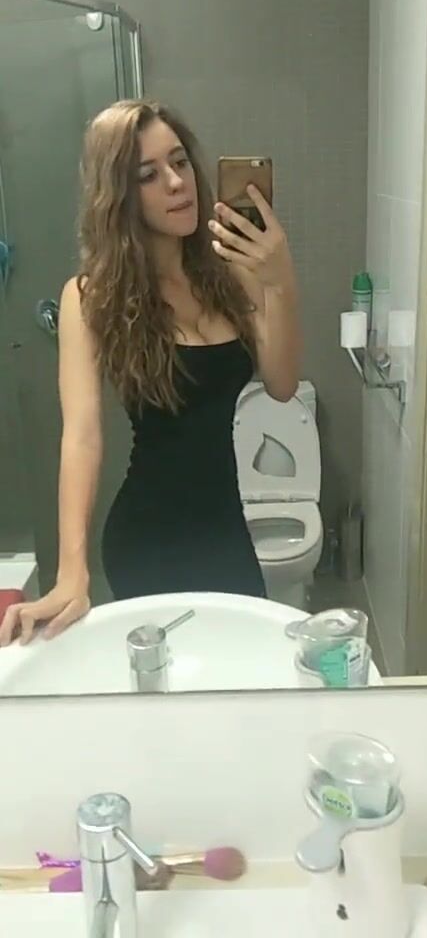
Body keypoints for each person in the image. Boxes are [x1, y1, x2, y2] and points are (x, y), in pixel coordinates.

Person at [0, 100, 300, 646]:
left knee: (242, 671)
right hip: (147, 538)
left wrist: (280, 282)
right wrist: (71, 571)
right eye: (148, 174)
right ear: (120, 194)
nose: (177, 182)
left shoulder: (231, 274)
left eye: (180, 162)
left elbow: (282, 387)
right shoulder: (92, 297)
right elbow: (82, 437)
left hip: (225, 528)